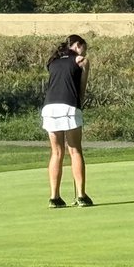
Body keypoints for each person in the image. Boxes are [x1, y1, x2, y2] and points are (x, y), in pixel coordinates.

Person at [41, 34, 94, 208]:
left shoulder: (53, 61)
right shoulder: (82, 61)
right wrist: (80, 106)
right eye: (84, 48)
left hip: (49, 108)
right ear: (78, 45)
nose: (84, 52)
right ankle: (81, 196)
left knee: (56, 152)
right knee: (75, 150)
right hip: (69, 106)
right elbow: (81, 90)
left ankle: (54, 198)